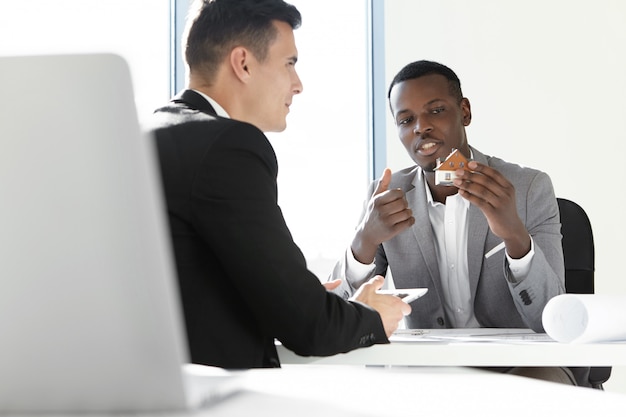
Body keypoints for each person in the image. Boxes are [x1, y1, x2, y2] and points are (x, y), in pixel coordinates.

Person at [148, 0, 410, 370]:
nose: (298, 85)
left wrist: (288, 292)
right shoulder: (229, 146)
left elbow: (192, 282)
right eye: (290, 63)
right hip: (221, 396)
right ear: (243, 64)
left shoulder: (152, 133)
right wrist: (370, 317)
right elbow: (308, 327)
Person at [329, 59, 590, 387]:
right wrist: (362, 244)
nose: (420, 127)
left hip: (524, 368)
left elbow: (553, 319)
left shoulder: (528, 188)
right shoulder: (387, 194)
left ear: (464, 112)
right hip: (434, 373)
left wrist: (514, 237)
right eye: (406, 119)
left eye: (435, 111)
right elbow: (331, 318)